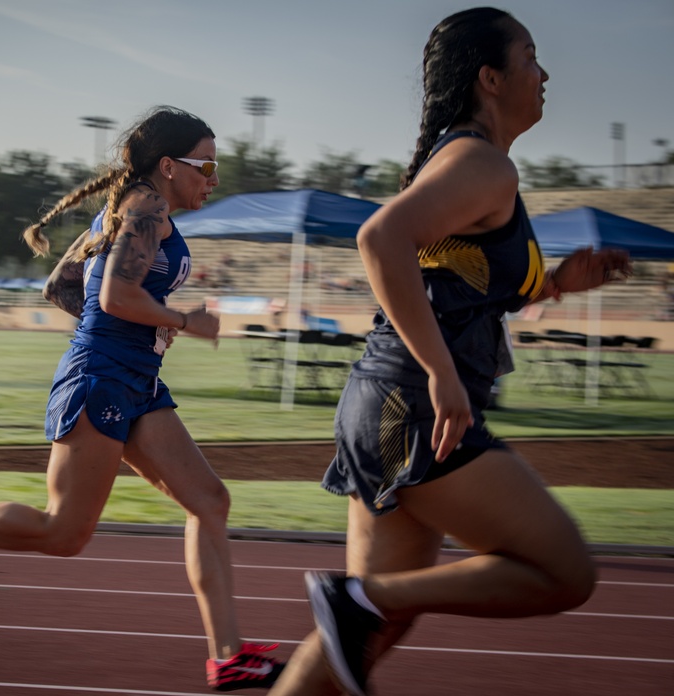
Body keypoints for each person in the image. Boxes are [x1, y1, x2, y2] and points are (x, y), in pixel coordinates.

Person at [0, 106, 284, 692]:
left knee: (209, 500)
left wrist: (133, 335)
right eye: (206, 164)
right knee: (64, 533)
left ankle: (228, 655)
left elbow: (59, 286)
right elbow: (112, 296)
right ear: (168, 166)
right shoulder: (145, 208)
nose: (214, 178)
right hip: (103, 380)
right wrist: (180, 320)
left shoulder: (127, 210)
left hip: (133, 379)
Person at [268, 8, 632, 696]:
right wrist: (442, 374)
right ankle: (358, 600)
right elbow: (381, 241)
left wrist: (556, 284)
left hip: (388, 404)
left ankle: (357, 605)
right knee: (565, 572)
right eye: (531, 57)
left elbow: (456, 284)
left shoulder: (473, 162)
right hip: (414, 407)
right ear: (490, 78)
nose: (545, 73)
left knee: (369, 628)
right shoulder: (481, 163)